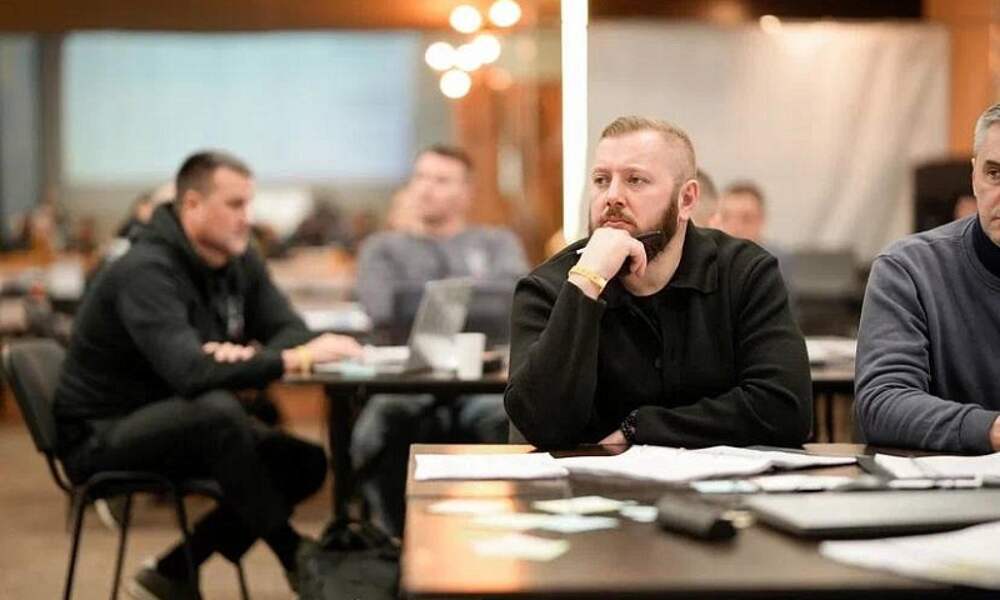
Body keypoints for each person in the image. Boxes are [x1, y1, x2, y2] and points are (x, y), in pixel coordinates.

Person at [53, 151, 363, 599]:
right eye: (235, 205)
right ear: (193, 205)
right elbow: (190, 373)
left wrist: (249, 356)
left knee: (304, 463)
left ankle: (174, 570)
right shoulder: (145, 270)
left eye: (249, 204)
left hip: (181, 419)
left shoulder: (238, 258)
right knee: (217, 413)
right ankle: (296, 555)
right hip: (101, 433)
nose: (247, 218)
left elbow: (291, 330)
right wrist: (288, 361)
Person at [505, 116, 811, 448]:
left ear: (687, 200)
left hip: (720, 479)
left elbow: (786, 410)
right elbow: (539, 426)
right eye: (601, 180)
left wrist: (642, 429)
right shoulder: (548, 286)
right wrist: (587, 283)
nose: (612, 196)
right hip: (589, 479)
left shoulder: (745, 272)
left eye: (635, 180)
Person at [353, 144, 529, 536]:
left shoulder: (496, 243)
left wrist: (422, 297)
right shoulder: (383, 249)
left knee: (508, 420)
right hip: (406, 383)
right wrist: (474, 293)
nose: (426, 188)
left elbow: (512, 301)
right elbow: (383, 307)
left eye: (441, 180)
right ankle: (397, 542)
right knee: (380, 425)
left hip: (483, 384)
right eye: (421, 177)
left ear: (466, 192)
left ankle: (494, 534)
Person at [855, 103, 1000, 454]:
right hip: (947, 484)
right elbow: (882, 403)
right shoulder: (908, 269)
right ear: (974, 177)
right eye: (995, 174)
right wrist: (990, 430)